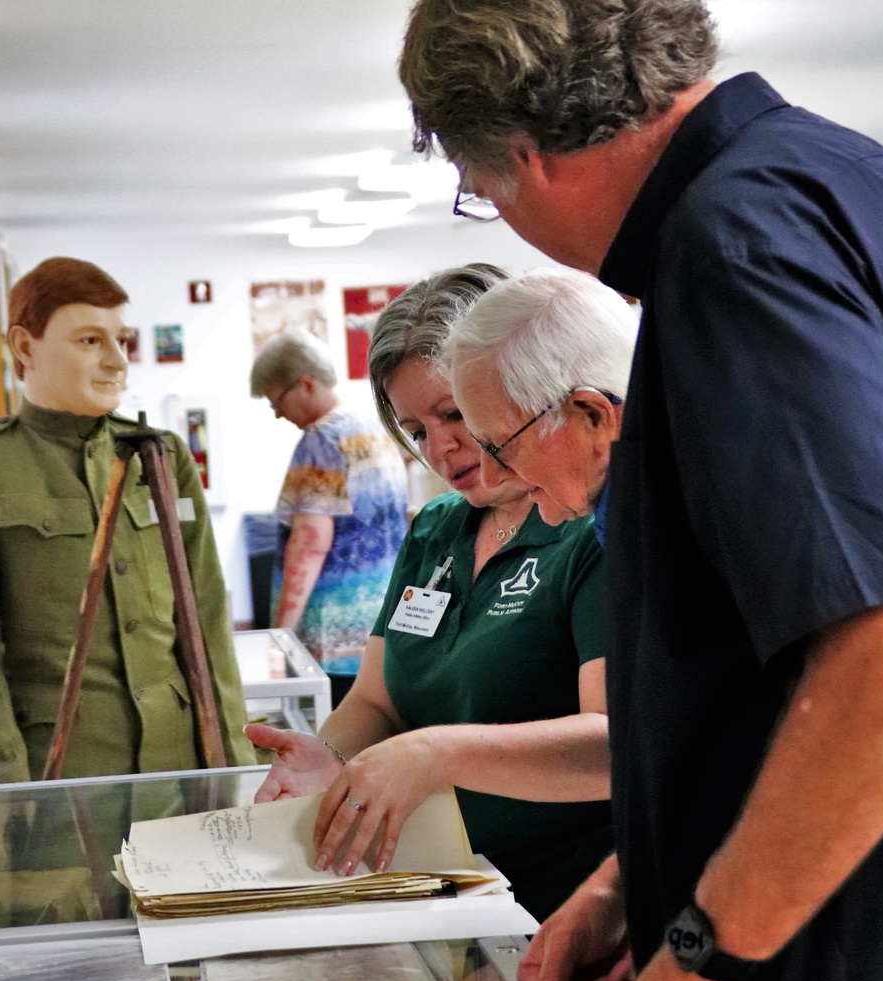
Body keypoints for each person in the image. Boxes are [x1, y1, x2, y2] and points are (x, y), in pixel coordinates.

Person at [405, 0, 883, 981]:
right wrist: (640, 882)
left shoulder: (732, 242)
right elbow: (766, 674)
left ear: (524, 151)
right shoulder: (852, 180)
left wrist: (696, 960)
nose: (507, 221)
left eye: (485, 192)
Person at [246, 264, 637, 923]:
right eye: (417, 429)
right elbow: (376, 698)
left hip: (568, 904)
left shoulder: (589, 527)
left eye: (456, 413)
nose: (446, 446)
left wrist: (435, 753)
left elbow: (614, 744)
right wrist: (332, 760)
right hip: (443, 893)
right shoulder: (436, 529)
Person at [0, 256, 254, 871]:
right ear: (25, 345)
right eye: (90, 340)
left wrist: (227, 764)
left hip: (178, 776)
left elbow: (206, 615)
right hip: (59, 786)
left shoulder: (162, 457)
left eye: (120, 340)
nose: (117, 360)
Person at [249, 330, 407, 706]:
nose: (277, 413)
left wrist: (279, 635)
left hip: (332, 638)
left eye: (277, 400)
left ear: (306, 384)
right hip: (382, 628)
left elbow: (309, 544)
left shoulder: (320, 441)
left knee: (331, 745)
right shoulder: (377, 428)